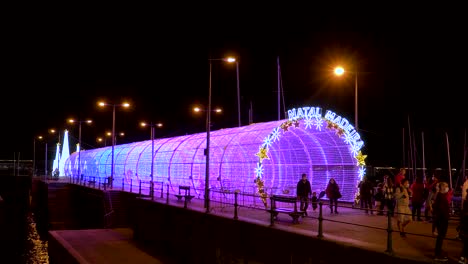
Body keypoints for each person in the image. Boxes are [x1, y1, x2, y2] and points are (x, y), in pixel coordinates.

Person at [433, 181, 451, 261]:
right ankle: (437, 254)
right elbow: (441, 209)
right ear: (443, 187)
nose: (447, 188)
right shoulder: (441, 196)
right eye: (446, 186)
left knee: (441, 237)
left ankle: (438, 251)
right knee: (440, 237)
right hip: (442, 220)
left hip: (441, 219)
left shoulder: (441, 195)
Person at [457, 190, 468, 264]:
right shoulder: (467, 203)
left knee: (466, 243)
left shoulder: (466, 202)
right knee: (466, 243)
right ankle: (463, 257)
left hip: (465, 225)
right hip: (466, 226)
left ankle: (462, 257)